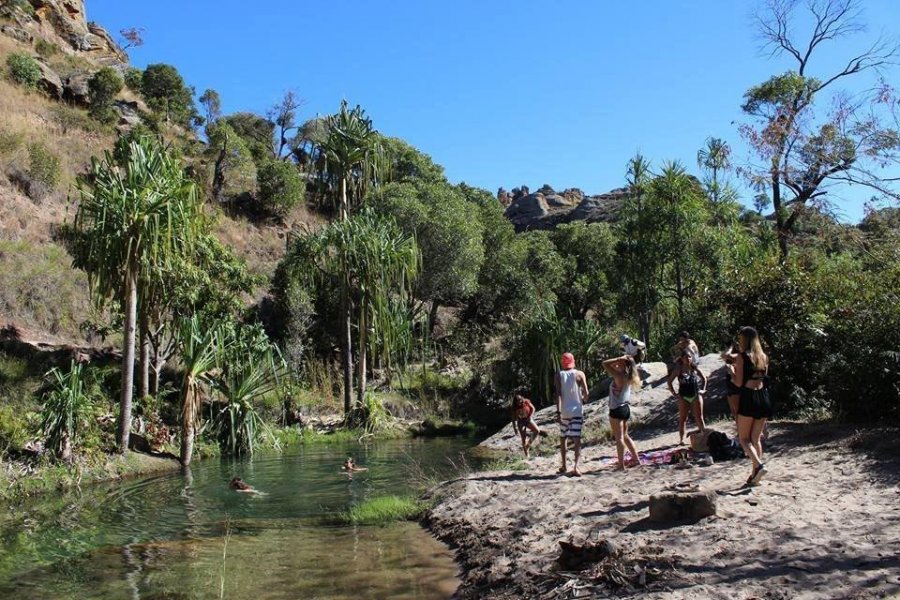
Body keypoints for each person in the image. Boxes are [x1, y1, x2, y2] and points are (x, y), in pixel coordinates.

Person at [731, 326, 772, 486]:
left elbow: (739, 382)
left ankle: (759, 465)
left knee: (744, 439)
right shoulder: (763, 356)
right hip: (763, 396)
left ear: (745, 339)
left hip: (749, 397)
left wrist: (731, 372)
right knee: (756, 438)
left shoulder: (742, 357)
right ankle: (756, 474)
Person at [602, 355, 642, 470]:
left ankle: (621, 465)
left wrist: (618, 358)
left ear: (625, 365)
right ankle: (636, 459)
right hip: (625, 408)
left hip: (617, 409)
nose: (617, 364)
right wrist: (621, 361)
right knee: (625, 436)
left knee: (619, 438)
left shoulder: (618, 375)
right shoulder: (628, 375)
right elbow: (611, 365)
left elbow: (605, 363)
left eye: (620, 363)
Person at [554, 352, 589, 476]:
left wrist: (558, 411)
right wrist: (582, 400)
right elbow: (586, 393)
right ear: (573, 361)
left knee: (563, 437)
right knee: (577, 439)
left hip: (564, 411)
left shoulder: (558, 375)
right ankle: (576, 467)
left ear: (563, 363)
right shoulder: (579, 374)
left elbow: (558, 394)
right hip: (577, 410)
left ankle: (564, 465)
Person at [667, 350, 708, 445]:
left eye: (689, 357)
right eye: (686, 357)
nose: (688, 359)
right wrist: (674, 393)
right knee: (683, 418)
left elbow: (704, 378)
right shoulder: (678, 370)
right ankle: (681, 440)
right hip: (683, 397)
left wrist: (703, 389)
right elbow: (669, 381)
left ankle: (704, 436)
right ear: (682, 359)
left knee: (699, 417)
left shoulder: (694, 368)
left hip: (695, 395)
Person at [722, 343, 742, 426]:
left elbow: (726, 355)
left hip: (735, 384)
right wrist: (730, 347)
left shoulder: (739, 356)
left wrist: (731, 346)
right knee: (733, 410)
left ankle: (740, 430)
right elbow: (723, 355)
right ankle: (739, 428)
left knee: (737, 409)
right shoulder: (730, 359)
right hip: (729, 383)